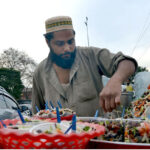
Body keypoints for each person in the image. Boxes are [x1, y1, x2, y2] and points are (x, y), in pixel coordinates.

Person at [32, 16, 137, 117]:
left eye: (70, 41)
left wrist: (116, 80)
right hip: (59, 134)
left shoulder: (90, 56)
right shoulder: (40, 73)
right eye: (60, 44)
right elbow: (36, 115)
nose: (67, 48)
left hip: (97, 133)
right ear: (48, 42)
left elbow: (127, 62)